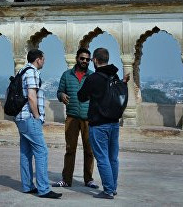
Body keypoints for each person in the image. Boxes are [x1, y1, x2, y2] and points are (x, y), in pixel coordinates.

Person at [77, 47, 130, 199]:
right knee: (113, 157)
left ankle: (108, 190)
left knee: (102, 158)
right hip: (114, 123)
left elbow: (81, 96)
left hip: (99, 123)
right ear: (106, 60)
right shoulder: (114, 75)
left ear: (94, 60)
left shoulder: (93, 78)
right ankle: (112, 187)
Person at [15, 49, 62, 199]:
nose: (44, 61)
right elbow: (31, 96)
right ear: (38, 59)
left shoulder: (22, 71)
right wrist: (37, 116)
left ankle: (28, 186)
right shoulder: (32, 72)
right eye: (43, 59)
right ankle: (43, 189)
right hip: (29, 118)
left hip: (21, 118)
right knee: (42, 152)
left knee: (26, 152)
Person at [52, 48, 99, 189]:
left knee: (89, 150)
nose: (84, 61)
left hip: (88, 119)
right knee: (70, 149)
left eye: (87, 59)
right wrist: (61, 96)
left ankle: (88, 179)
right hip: (72, 117)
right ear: (77, 58)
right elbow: (59, 91)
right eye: (82, 58)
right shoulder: (66, 76)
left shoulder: (92, 76)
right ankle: (66, 179)